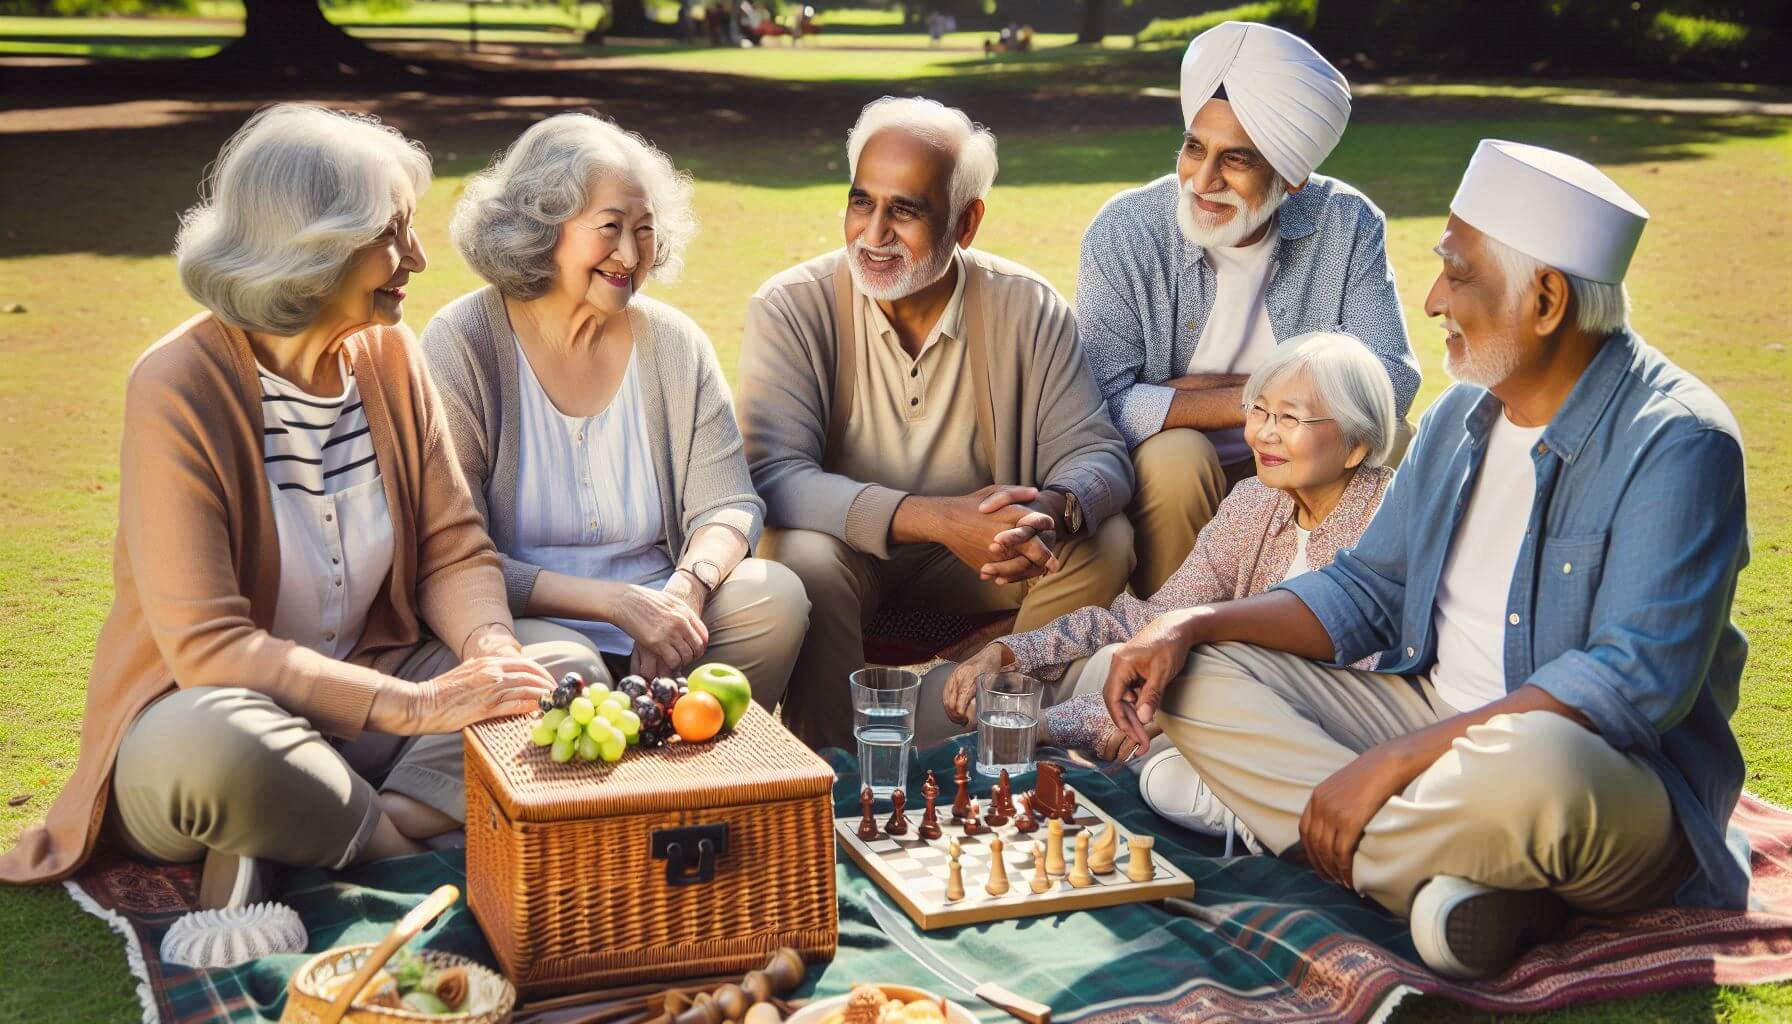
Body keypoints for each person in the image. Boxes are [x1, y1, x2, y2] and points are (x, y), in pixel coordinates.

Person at [1102, 139, 1751, 979]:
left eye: (1458, 273)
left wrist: (1390, 766)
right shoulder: (1462, 419)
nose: (1434, 298)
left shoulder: (1678, 443)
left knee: (1537, 768)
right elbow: (1367, 591)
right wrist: (1191, 622)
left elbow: (1630, 686)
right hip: (1428, 720)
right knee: (1195, 671)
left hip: (1599, 777)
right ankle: (1460, 879)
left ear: (1546, 299)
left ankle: (1385, 848)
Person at [0, 105, 606, 908]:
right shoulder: (176, 384)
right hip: (213, 721)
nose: (418, 257)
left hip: (373, 708)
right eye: (392, 232)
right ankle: (414, 853)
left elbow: (455, 548)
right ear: (314, 242)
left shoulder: (390, 355)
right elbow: (210, 649)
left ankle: (320, 834)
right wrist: (416, 705)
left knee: (560, 665)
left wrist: (491, 656)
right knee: (226, 752)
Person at [738, 96, 1135, 750]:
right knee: (800, 551)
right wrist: (939, 519)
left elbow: (1097, 454)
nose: (872, 233)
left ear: (967, 222)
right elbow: (773, 476)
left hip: (985, 566)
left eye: (904, 209)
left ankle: (999, 714)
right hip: (851, 564)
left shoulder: (1028, 305)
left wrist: (1050, 512)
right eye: (861, 202)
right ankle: (835, 760)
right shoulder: (790, 306)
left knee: (1104, 536)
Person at [936, 332, 1395, 838]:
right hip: (1207, 709)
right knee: (1111, 667)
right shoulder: (1254, 502)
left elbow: (1333, 692)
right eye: (1259, 410)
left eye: (1289, 418)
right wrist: (1008, 652)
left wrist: (1049, 726)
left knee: (1165, 774)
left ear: (1356, 446)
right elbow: (1152, 620)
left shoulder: (1386, 525)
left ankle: (1281, 815)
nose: (1264, 434)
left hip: (1311, 729)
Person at [423, 113, 808, 706]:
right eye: (610, 226)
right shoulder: (463, 343)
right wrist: (617, 604)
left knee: (774, 598)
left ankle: (703, 778)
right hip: (527, 619)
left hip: (667, 606)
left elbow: (728, 503)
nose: (630, 253)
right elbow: (453, 554)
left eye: (645, 228)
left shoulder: (674, 344)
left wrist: (688, 586)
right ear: (541, 227)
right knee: (574, 665)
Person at [1078, 21, 1421, 595]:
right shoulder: (1127, 230)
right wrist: (1267, 405)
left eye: (1234, 159)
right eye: (1194, 148)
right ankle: (1170, 630)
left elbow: (1390, 382)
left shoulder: (1347, 223)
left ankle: (1339, 624)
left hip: (1307, 457)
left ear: (1291, 177)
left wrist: (1218, 395)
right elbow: (1098, 402)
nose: (1202, 180)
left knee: (1399, 438)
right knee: (1177, 457)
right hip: (1179, 474)